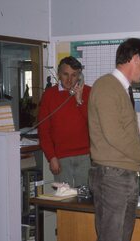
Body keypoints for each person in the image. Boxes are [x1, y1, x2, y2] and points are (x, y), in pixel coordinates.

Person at [88, 38, 140, 241]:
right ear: (135, 59)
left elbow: (128, 136)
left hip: (121, 175)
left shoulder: (121, 89)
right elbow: (114, 134)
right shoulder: (107, 86)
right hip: (113, 177)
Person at [38, 56, 91, 187]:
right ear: (58, 74)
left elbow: (95, 124)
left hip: (85, 156)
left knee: (85, 199)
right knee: (64, 200)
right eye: (65, 74)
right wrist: (51, 157)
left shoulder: (88, 92)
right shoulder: (49, 95)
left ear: (80, 76)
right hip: (61, 157)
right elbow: (44, 130)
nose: (69, 79)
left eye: (74, 75)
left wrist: (79, 101)